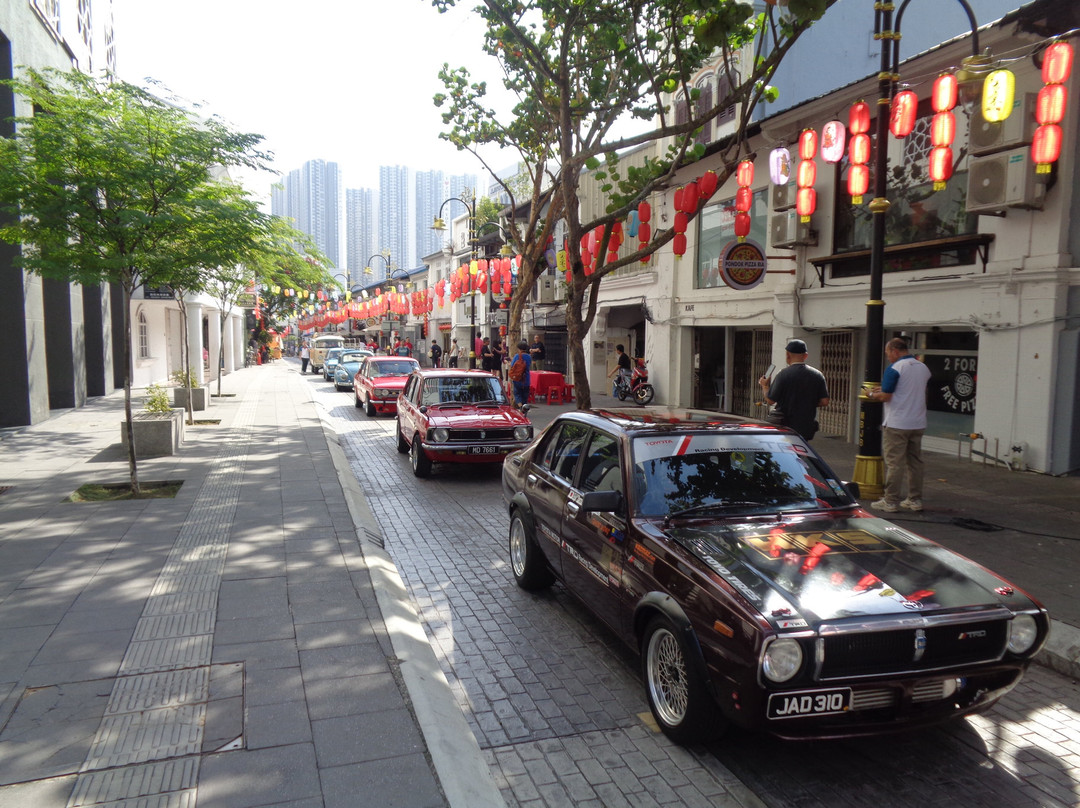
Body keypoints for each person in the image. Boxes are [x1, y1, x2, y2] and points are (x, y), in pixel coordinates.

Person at [869, 337, 932, 512]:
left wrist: (872, 395)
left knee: (894, 463)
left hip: (897, 422)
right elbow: (906, 389)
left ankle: (890, 501)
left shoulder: (895, 368)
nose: (888, 356)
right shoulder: (922, 367)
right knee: (915, 462)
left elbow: (886, 396)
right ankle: (915, 499)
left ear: (895, 351)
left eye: (888, 353)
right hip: (917, 422)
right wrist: (883, 389)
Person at [757, 339, 829, 440]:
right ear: (805, 356)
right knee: (801, 451)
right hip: (806, 426)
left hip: (785, 426)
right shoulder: (818, 375)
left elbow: (770, 400)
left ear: (787, 355)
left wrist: (765, 386)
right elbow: (824, 401)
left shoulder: (783, 374)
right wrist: (807, 402)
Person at [508, 340, 532, 409]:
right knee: (525, 395)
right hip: (526, 379)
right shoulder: (529, 357)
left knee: (517, 394)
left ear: (519, 348)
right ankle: (524, 407)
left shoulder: (516, 356)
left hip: (517, 379)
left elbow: (512, 365)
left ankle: (520, 407)